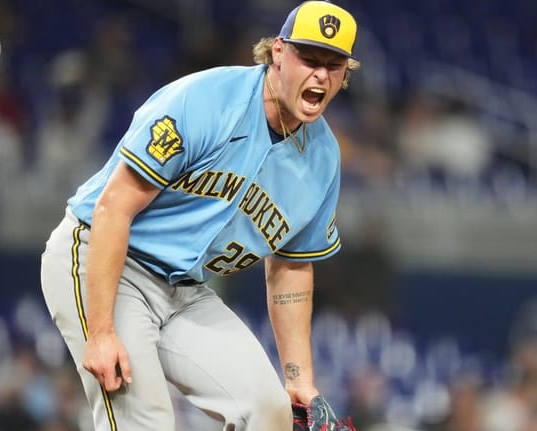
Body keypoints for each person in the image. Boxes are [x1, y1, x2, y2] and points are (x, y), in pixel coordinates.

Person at [40, 1, 360, 429]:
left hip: (185, 290)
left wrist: (299, 378)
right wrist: (100, 332)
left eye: (333, 65)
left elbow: (291, 266)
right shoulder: (206, 101)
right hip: (104, 260)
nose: (321, 74)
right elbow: (115, 207)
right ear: (278, 53)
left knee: (269, 410)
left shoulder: (322, 158)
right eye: (310, 59)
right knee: (145, 421)